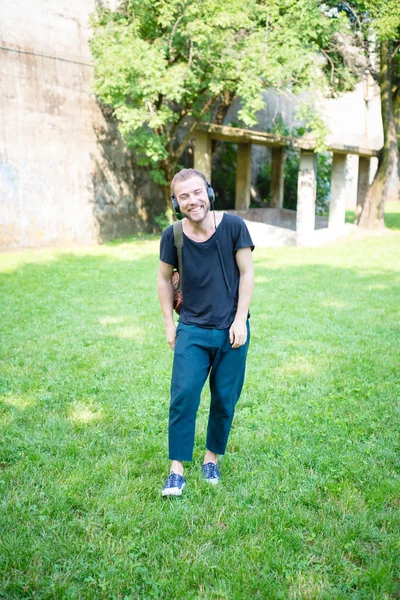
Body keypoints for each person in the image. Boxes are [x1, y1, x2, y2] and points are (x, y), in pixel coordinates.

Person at [157, 168, 254, 496]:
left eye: (197, 192)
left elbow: (247, 273)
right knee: (183, 396)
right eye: (183, 196)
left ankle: (211, 458)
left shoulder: (234, 227)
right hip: (193, 330)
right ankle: (176, 469)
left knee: (225, 398)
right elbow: (162, 279)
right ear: (176, 202)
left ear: (209, 193)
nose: (192, 200)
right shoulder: (173, 235)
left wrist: (240, 319)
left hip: (231, 330)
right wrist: (170, 325)